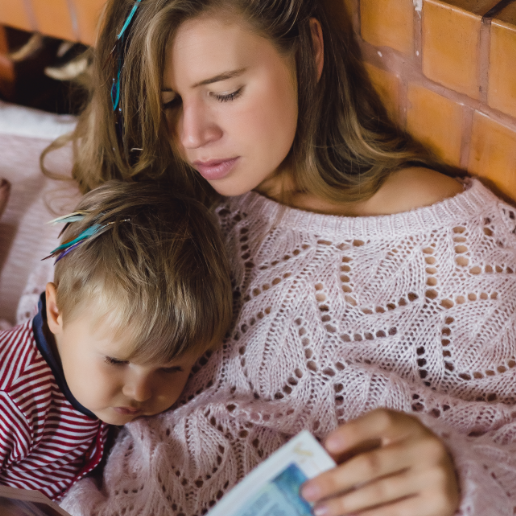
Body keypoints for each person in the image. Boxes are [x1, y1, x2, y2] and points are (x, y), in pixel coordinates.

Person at [35, 0, 516, 514]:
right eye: (168, 102)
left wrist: (465, 482)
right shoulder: (162, 198)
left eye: (225, 92)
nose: (193, 136)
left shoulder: (455, 246)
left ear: (308, 50)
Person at [0, 181, 232, 501]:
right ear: (57, 311)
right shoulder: (11, 399)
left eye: (170, 369)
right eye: (117, 360)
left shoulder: (90, 374)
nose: (140, 391)